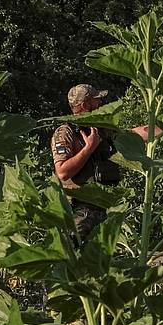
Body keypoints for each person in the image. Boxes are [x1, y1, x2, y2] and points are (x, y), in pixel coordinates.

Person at [50, 84, 122, 243]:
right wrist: (89, 148)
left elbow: (130, 135)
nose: (100, 104)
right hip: (79, 210)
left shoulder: (100, 129)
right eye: (96, 100)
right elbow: (62, 172)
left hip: (102, 207)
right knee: (73, 253)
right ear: (85, 105)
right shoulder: (66, 132)